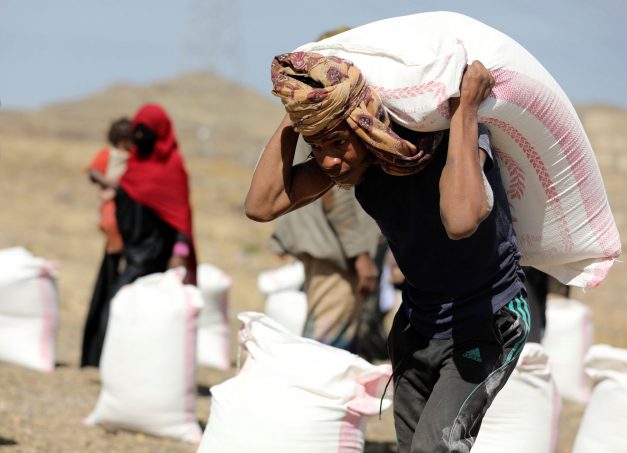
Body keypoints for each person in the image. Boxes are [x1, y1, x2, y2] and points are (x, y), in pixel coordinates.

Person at [245, 52, 530, 452]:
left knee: (434, 448)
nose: (328, 159)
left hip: (487, 322)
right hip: (418, 326)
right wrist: (299, 114)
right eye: (317, 146)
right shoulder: (360, 164)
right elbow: (262, 205)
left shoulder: (449, 138)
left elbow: (461, 218)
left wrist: (466, 110)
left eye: (339, 142)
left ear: (365, 125)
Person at [268, 26, 384, 358]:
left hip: (328, 247)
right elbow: (339, 196)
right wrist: (360, 255)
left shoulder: (311, 109)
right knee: (326, 343)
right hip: (336, 252)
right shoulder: (331, 116)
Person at [80, 103, 197, 368]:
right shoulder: (134, 163)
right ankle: (101, 361)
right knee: (112, 301)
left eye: (146, 132)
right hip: (128, 245)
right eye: (137, 132)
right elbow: (125, 194)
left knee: (137, 308)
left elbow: (180, 214)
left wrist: (179, 252)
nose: (141, 139)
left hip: (158, 254)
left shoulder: (172, 166)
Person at [80, 118, 132, 368]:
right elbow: (93, 172)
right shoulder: (112, 156)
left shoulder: (130, 159)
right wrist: (112, 184)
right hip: (116, 220)